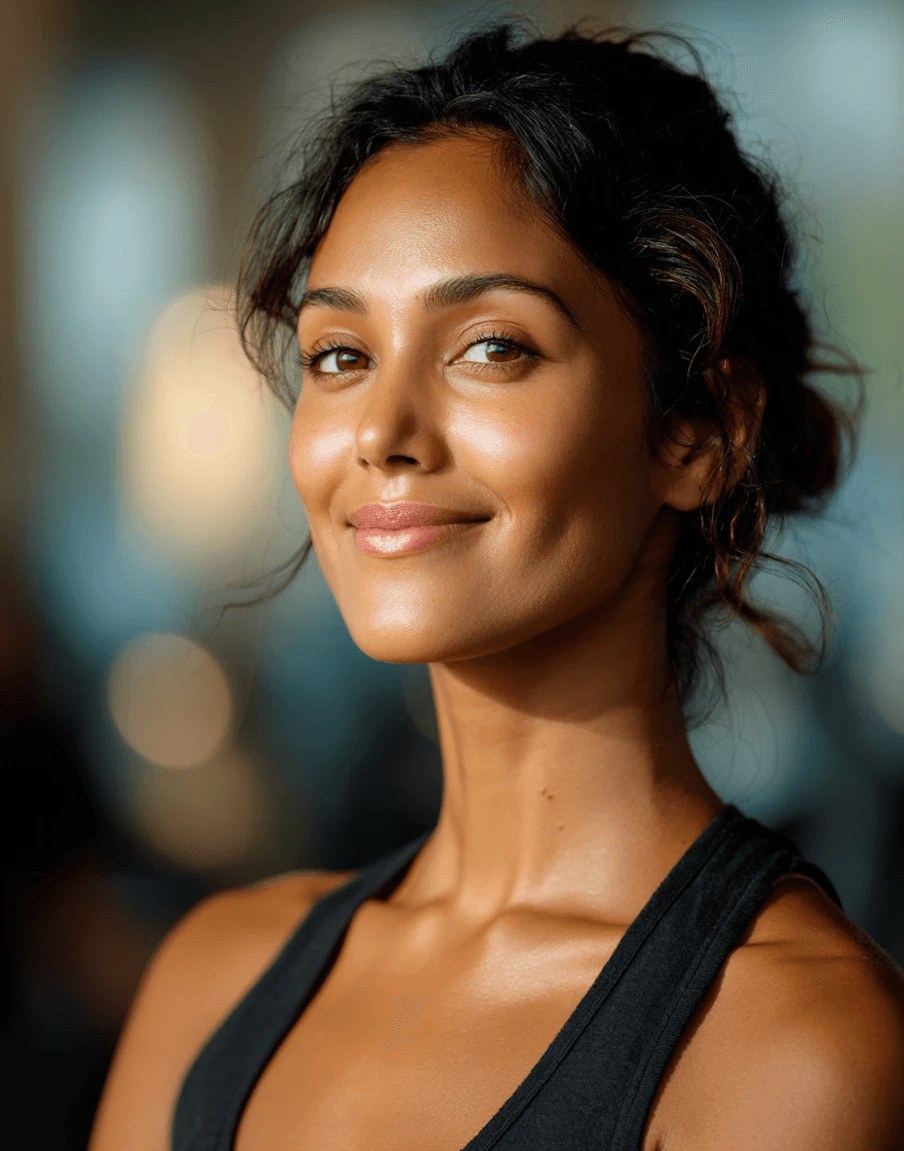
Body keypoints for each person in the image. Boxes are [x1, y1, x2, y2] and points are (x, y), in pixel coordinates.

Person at [89, 22, 904, 1151]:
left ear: (699, 428)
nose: (382, 430)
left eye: (490, 346)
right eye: (340, 355)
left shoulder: (781, 1038)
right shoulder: (210, 983)